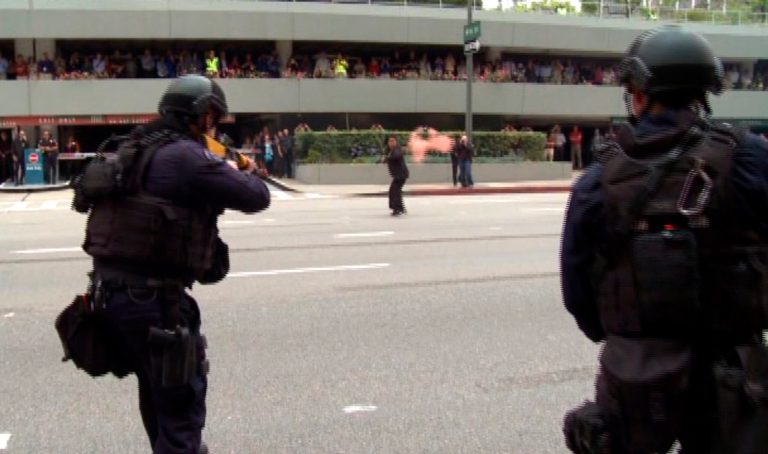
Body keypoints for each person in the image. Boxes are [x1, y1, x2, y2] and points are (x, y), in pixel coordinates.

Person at [561, 25, 768, 453]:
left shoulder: (599, 180)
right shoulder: (748, 157)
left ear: (638, 94)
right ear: (704, 92)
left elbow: (577, 288)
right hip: (733, 374)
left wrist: (625, 335)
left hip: (633, 373)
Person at [66, 75, 270, 454]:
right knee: (181, 416)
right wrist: (244, 171)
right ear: (200, 113)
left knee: (158, 402)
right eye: (212, 117)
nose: (214, 126)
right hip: (154, 304)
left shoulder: (136, 146)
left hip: (110, 299)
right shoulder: (186, 156)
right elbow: (257, 196)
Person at [382, 135, 408, 216]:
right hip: (398, 175)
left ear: (396, 142)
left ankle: (398, 209)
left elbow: (396, 156)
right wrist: (385, 159)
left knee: (394, 192)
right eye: (389, 141)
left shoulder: (397, 150)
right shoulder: (391, 151)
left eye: (393, 141)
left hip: (400, 175)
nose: (391, 143)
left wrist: (387, 158)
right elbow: (391, 158)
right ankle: (400, 208)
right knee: (395, 191)